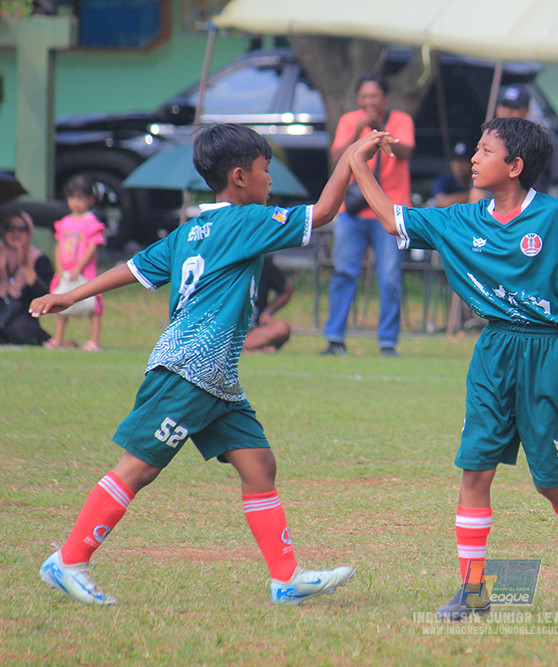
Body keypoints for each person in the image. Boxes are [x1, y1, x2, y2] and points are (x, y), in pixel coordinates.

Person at [30, 123, 392, 606]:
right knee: (137, 469)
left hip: (215, 378)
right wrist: (350, 158)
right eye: (266, 173)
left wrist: (71, 293)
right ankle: (69, 559)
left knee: (259, 465)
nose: (270, 183)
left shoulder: (192, 230)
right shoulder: (245, 221)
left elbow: (133, 267)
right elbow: (324, 211)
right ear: (240, 177)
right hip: (187, 371)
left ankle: (285, 578)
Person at [348, 117, 558, 620]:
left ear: (516, 166)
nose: (474, 159)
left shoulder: (555, 216)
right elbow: (395, 219)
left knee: (549, 480)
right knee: (474, 467)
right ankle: (472, 590)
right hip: (495, 351)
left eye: (485, 151)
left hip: (551, 353)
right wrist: (356, 163)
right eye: (477, 149)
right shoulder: (461, 219)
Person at [323, 73, 415, 358]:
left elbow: (405, 152)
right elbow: (337, 156)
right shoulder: (350, 120)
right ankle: (335, 339)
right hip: (352, 210)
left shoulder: (401, 120)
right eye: (364, 96)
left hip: (390, 210)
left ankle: (387, 342)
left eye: (374, 96)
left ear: (386, 98)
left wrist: (380, 130)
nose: (368, 101)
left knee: (388, 277)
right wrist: (359, 131)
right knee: (343, 272)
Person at [45, 175, 107, 351]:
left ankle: (94, 340)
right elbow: (59, 246)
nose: (76, 202)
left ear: (90, 199)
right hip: (65, 271)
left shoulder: (91, 222)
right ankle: (58, 338)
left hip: (85, 271)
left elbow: (93, 246)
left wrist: (79, 267)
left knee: (94, 304)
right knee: (61, 303)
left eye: (80, 198)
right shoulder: (65, 222)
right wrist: (59, 267)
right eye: (72, 197)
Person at [495, 84, 558, 202]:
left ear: (526, 111)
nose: (507, 112)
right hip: (494, 213)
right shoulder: (489, 138)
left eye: (513, 108)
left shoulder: (541, 137)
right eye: (504, 106)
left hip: (532, 212)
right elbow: (477, 188)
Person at [0, 210, 54, 345]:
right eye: (10, 228)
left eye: (22, 228)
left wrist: (26, 267)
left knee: (20, 330)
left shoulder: (38, 259)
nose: (15, 233)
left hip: (22, 314)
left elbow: (44, 295)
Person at [243, 254, 294, 353]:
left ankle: (248, 347)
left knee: (282, 328)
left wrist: (267, 312)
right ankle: (251, 348)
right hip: (228, 330)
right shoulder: (226, 263)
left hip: (254, 331)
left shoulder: (263, 264)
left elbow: (287, 290)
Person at [432, 142, 475, 207]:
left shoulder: (476, 180)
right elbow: (442, 202)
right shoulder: (443, 181)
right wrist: (473, 195)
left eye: (463, 161)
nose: (459, 166)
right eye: (456, 161)